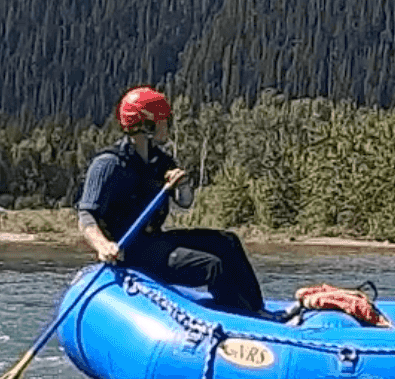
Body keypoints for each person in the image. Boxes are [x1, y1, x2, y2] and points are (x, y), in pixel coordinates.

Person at [76, 86, 266, 316]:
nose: (167, 124)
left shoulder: (162, 161)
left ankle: (256, 311)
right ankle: (235, 317)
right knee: (212, 265)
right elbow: (86, 215)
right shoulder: (108, 164)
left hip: (154, 241)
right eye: (162, 120)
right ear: (146, 125)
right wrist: (103, 246)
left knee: (228, 242)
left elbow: (184, 203)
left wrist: (182, 184)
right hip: (128, 251)